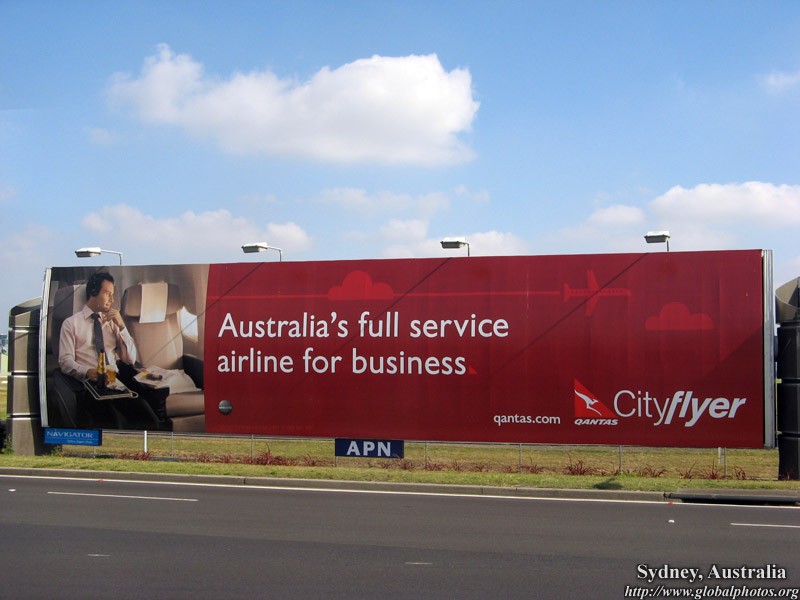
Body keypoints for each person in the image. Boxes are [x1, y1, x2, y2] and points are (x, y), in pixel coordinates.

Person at [56, 272, 158, 430]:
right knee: (114, 423)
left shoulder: (113, 322)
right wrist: (87, 371)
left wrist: (122, 327)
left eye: (112, 295)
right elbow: (65, 361)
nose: (112, 299)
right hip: (89, 385)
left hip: (115, 382)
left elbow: (130, 360)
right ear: (93, 292)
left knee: (149, 419)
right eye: (108, 294)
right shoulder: (71, 324)